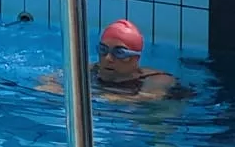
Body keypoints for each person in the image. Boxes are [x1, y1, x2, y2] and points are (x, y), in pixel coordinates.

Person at [41, 20, 180, 102]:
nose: (108, 58)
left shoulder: (157, 79)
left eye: (119, 53)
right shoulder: (92, 69)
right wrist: (52, 85)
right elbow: (51, 78)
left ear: (136, 58)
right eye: (103, 50)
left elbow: (151, 97)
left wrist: (103, 97)